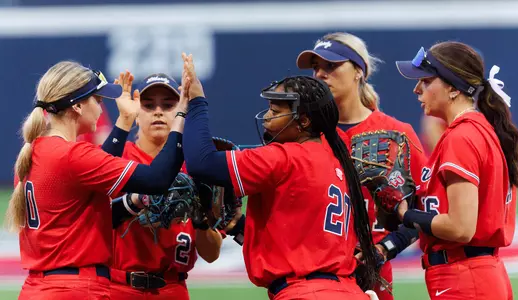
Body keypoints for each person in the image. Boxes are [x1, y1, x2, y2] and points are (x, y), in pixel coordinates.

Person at [180, 53, 380, 300]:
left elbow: (202, 162)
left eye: (275, 110)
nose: (266, 116)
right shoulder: (334, 159)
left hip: (305, 293)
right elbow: (298, 243)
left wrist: (196, 102)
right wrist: (237, 228)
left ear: (303, 121)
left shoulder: (285, 157)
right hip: (346, 291)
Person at [5, 61, 187, 300]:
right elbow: (158, 179)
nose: (102, 109)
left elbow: (98, 168)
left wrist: (124, 122)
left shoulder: (35, 152)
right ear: (78, 106)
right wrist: (182, 114)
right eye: (98, 100)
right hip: (73, 290)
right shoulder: (71, 155)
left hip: (40, 288)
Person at [389, 41, 518, 299]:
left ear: (452, 88)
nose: (416, 88)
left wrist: (407, 214)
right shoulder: (477, 129)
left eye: (427, 80)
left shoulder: (461, 136)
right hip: (478, 274)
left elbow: (460, 228)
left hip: (465, 278)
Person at [296, 31, 427, 299]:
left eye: (331, 65)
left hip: (373, 277)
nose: (321, 74)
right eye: (316, 67)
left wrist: (384, 249)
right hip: (312, 274)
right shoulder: (302, 134)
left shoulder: (397, 134)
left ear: (358, 71)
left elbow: (422, 209)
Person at [109, 73, 222, 300]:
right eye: (149, 105)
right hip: (118, 288)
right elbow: (93, 218)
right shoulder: (117, 158)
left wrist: (200, 220)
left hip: (173, 289)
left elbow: (211, 254)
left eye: (168, 105)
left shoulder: (196, 167)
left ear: (181, 112)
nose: (158, 111)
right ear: (136, 114)